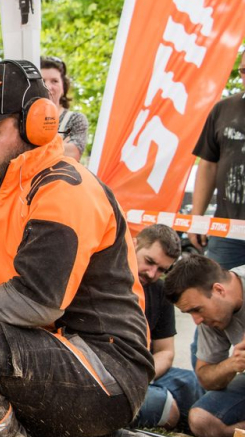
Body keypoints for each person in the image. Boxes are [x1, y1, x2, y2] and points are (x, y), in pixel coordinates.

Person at [0, 60, 153, 437]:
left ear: (36, 123)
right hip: (55, 348)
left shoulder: (63, 188)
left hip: (104, 367)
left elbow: (37, 302)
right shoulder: (15, 188)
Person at [131, 224, 203, 431]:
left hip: (146, 373)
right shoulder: (105, 281)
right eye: (149, 262)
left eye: (162, 269)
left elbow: (166, 352)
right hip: (110, 377)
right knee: (163, 403)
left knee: (193, 383)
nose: (153, 273)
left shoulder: (159, 290)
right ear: (133, 245)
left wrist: (143, 378)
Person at [164, 254, 245, 437]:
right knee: (202, 419)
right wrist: (232, 364)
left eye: (197, 310)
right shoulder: (212, 319)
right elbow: (205, 377)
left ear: (219, 290)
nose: (197, 320)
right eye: (189, 312)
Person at [189, 53, 245, 268]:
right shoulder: (223, 109)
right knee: (215, 293)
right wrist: (197, 218)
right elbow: (208, 165)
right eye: (243, 70)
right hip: (227, 230)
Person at [40, 56, 89, 161]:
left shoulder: (75, 120)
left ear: (63, 87)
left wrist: (33, 149)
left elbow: (73, 153)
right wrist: (59, 146)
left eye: (54, 81)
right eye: (43, 81)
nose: (48, 87)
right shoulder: (24, 118)